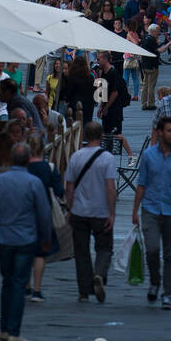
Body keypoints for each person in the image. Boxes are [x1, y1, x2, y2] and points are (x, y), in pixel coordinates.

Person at [0, 142, 52, 341]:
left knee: (7, 282)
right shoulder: (34, 183)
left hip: (4, 238)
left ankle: (4, 329)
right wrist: (46, 238)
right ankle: (13, 330)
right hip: (26, 238)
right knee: (18, 283)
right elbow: (44, 214)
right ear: (28, 159)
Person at [133, 115, 171, 310]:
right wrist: (135, 210)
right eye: (169, 130)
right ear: (160, 132)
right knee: (151, 250)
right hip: (150, 208)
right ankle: (155, 281)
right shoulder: (149, 155)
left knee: (170, 254)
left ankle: (167, 293)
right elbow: (141, 184)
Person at [64, 121, 117, 303]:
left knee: (81, 251)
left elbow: (69, 187)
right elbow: (111, 188)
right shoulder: (108, 158)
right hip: (100, 211)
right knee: (104, 248)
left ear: (85, 136)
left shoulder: (75, 156)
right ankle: (100, 273)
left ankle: (84, 291)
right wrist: (112, 212)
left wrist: (69, 208)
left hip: (79, 211)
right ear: (101, 136)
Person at [24, 132, 64, 302]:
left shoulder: (22, 167)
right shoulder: (49, 168)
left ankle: (25, 286)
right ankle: (37, 290)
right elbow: (59, 191)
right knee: (40, 253)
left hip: (23, 212)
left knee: (25, 250)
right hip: (43, 212)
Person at [64, 53, 96, 123]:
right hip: (88, 104)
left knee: (75, 124)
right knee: (87, 123)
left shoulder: (72, 77)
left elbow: (69, 92)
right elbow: (93, 91)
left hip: (75, 103)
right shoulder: (90, 77)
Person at [139, 23, 163, 110]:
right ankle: (151, 103)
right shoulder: (152, 39)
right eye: (157, 31)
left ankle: (143, 103)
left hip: (145, 64)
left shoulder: (145, 37)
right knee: (151, 85)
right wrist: (170, 43)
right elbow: (159, 50)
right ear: (153, 31)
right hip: (152, 65)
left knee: (145, 85)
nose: (158, 33)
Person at [123, 28, 141, 100]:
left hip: (128, 57)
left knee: (126, 78)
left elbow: (135, 43)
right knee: (135, 78)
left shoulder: (129, 34)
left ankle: (125, 95)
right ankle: (136, 95)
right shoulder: (135, 33)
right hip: (134, 58)